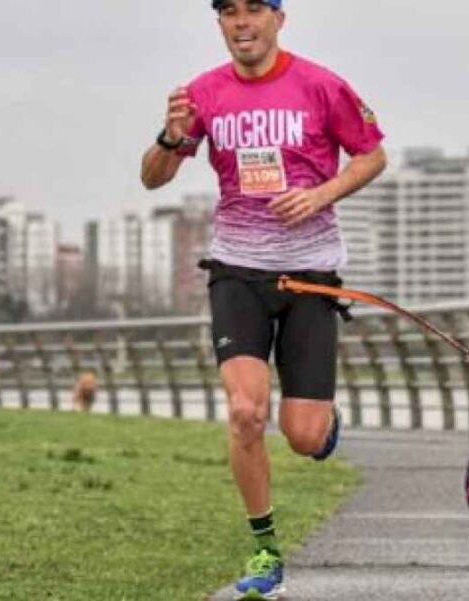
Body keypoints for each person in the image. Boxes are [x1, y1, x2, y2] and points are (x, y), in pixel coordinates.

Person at [139, 1, 386, 598]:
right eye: (229, 13)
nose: (242, 23)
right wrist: (170, 137)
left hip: (308, 276)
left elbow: (373, 155)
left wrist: (322, 194)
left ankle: (322, 429)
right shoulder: (201, 94)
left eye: (255, 10)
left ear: (279, 19)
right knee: (246, 412)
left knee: (301, 435)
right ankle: (265, 547)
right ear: (220, 24)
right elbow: (153, 177)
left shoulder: (322, 86)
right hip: (237, 272)